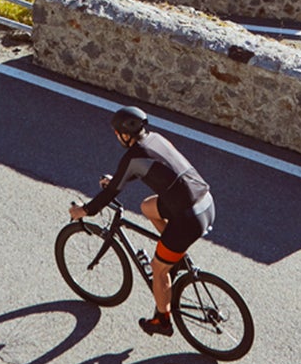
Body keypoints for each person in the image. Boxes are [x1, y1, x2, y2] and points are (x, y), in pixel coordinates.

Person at [69, 105, 215, 337]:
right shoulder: (157, 139)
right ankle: (174, 256)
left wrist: (83, 211)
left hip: (188, 219)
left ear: (124, 135)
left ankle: (162, 320)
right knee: (148, 207)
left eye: (117, 134)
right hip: (205, 201)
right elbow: (157, 170)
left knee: (158, 269)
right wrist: (117, 179)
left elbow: (109, 194)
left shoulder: (132, 156)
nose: (117, 137)